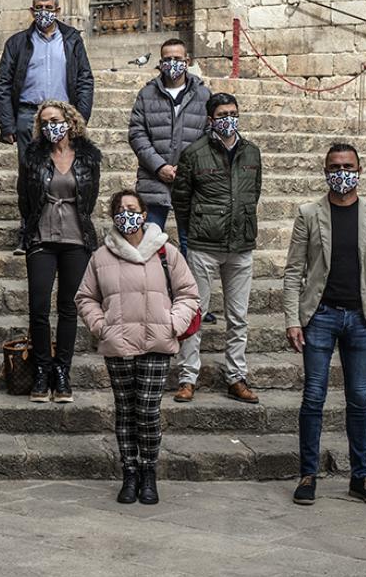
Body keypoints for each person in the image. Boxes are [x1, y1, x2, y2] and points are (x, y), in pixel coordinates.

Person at [284, 143, 366, 507]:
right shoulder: (309, 213)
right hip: (320, 316)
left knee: (359, 399)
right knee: (313, 397)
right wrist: (292, 319)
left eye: (348, 166)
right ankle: (308, 474)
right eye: (335, 166)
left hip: (361, 319)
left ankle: (360, 477)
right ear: (325, 171)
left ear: (359, 170)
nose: (341, 172)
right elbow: (293, 271)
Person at [75, 189, 200, 506]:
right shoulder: (101, 256)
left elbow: (188, 293)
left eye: (132, 208)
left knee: (147, 411)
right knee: (126, 412)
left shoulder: (165, 252)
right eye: (119, 209)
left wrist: (173, 322)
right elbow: (85, 297)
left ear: (145, 214)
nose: (126, 214)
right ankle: (129, 472)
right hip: (119, 343)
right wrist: (102, 326)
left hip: (157, 341)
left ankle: (149, 471)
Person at [171, 93, 263, 404]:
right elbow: (181, 199)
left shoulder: (252, 153)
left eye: (233, 113)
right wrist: (196, 228)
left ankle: (236, 377)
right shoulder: (194, 153)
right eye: (222, 113)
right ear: (211, 120)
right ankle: (187, 378)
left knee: (238, 317)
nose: (229, 118)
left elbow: (254, 194)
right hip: (204, 246)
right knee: (194, 314)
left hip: (241, 246)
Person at [20, 100, 102, 403]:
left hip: (75, 239)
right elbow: (25, 197)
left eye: (55, 120)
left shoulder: (87, 157)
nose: (50, 126)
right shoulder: (33, 156)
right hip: (41, 237)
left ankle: (62, 371)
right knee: (39, 307)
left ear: (69, 121)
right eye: (44, 122)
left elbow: (90, 199)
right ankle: (42, 368)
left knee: (69, 308)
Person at [127, 38, 210, 258]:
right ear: (160, 62)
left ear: (187, 61)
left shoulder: (203, 95)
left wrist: (186, 168)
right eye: (167, 59)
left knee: (189, 244)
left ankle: (186, 290)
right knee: (149, 241)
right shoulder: (147, 94)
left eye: (177, 59)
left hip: (190, 182)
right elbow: (137, 134)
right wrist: (159, 166)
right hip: (153, 180)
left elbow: (208, 135)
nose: (172, 63)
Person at [0, 0, 95, 162]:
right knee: (29, 171)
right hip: (28, 116)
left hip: (63, 115)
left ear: (57, 11)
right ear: (32, 11)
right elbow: (3, 83)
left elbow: (85, 79)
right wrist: (7, 125)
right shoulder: (17, 43)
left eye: (48, 8)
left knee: (61, 167)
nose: (44, 12)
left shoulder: (72, 39)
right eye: (39, 7)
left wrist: (80, 118)